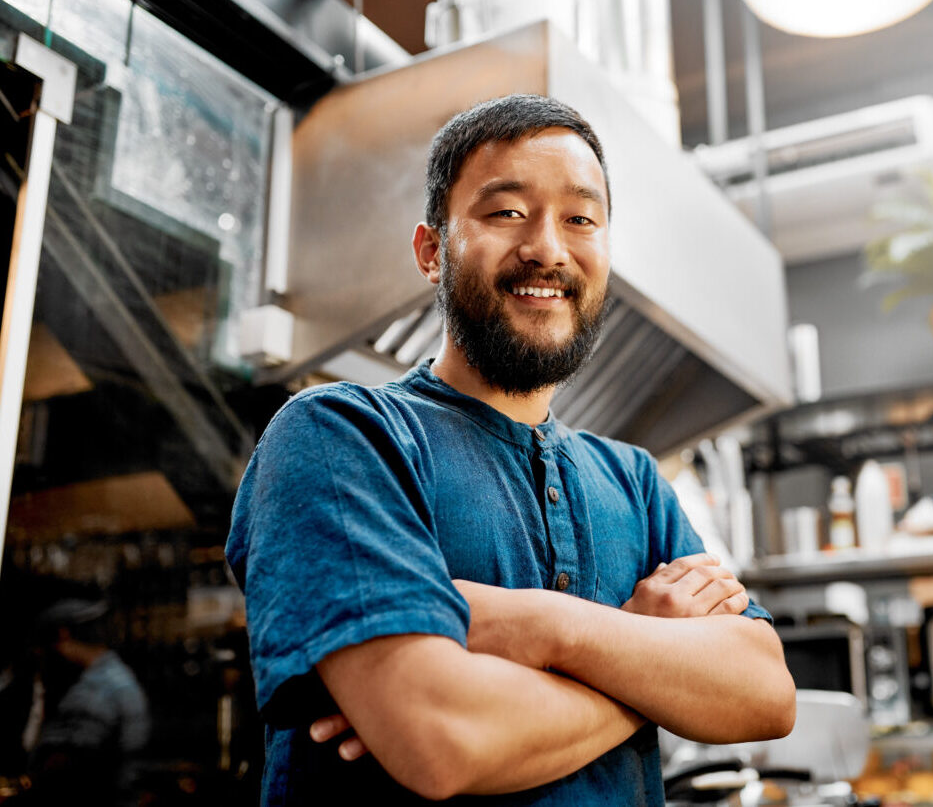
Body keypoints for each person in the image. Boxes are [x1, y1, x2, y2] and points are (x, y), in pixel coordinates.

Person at [226, 94, 795, 805]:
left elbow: (765, 692)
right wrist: (644, 659)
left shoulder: (633, 481)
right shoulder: (340, 436)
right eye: (506, 213)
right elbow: (439, 738)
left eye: (580, 219)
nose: (548, 249)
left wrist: (541, 627)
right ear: (432, 251)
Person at [23, 597, 150, 807]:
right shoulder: (119, 676)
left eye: (42, 650)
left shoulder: (93, 693)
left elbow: (60, 772)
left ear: (63, 636)